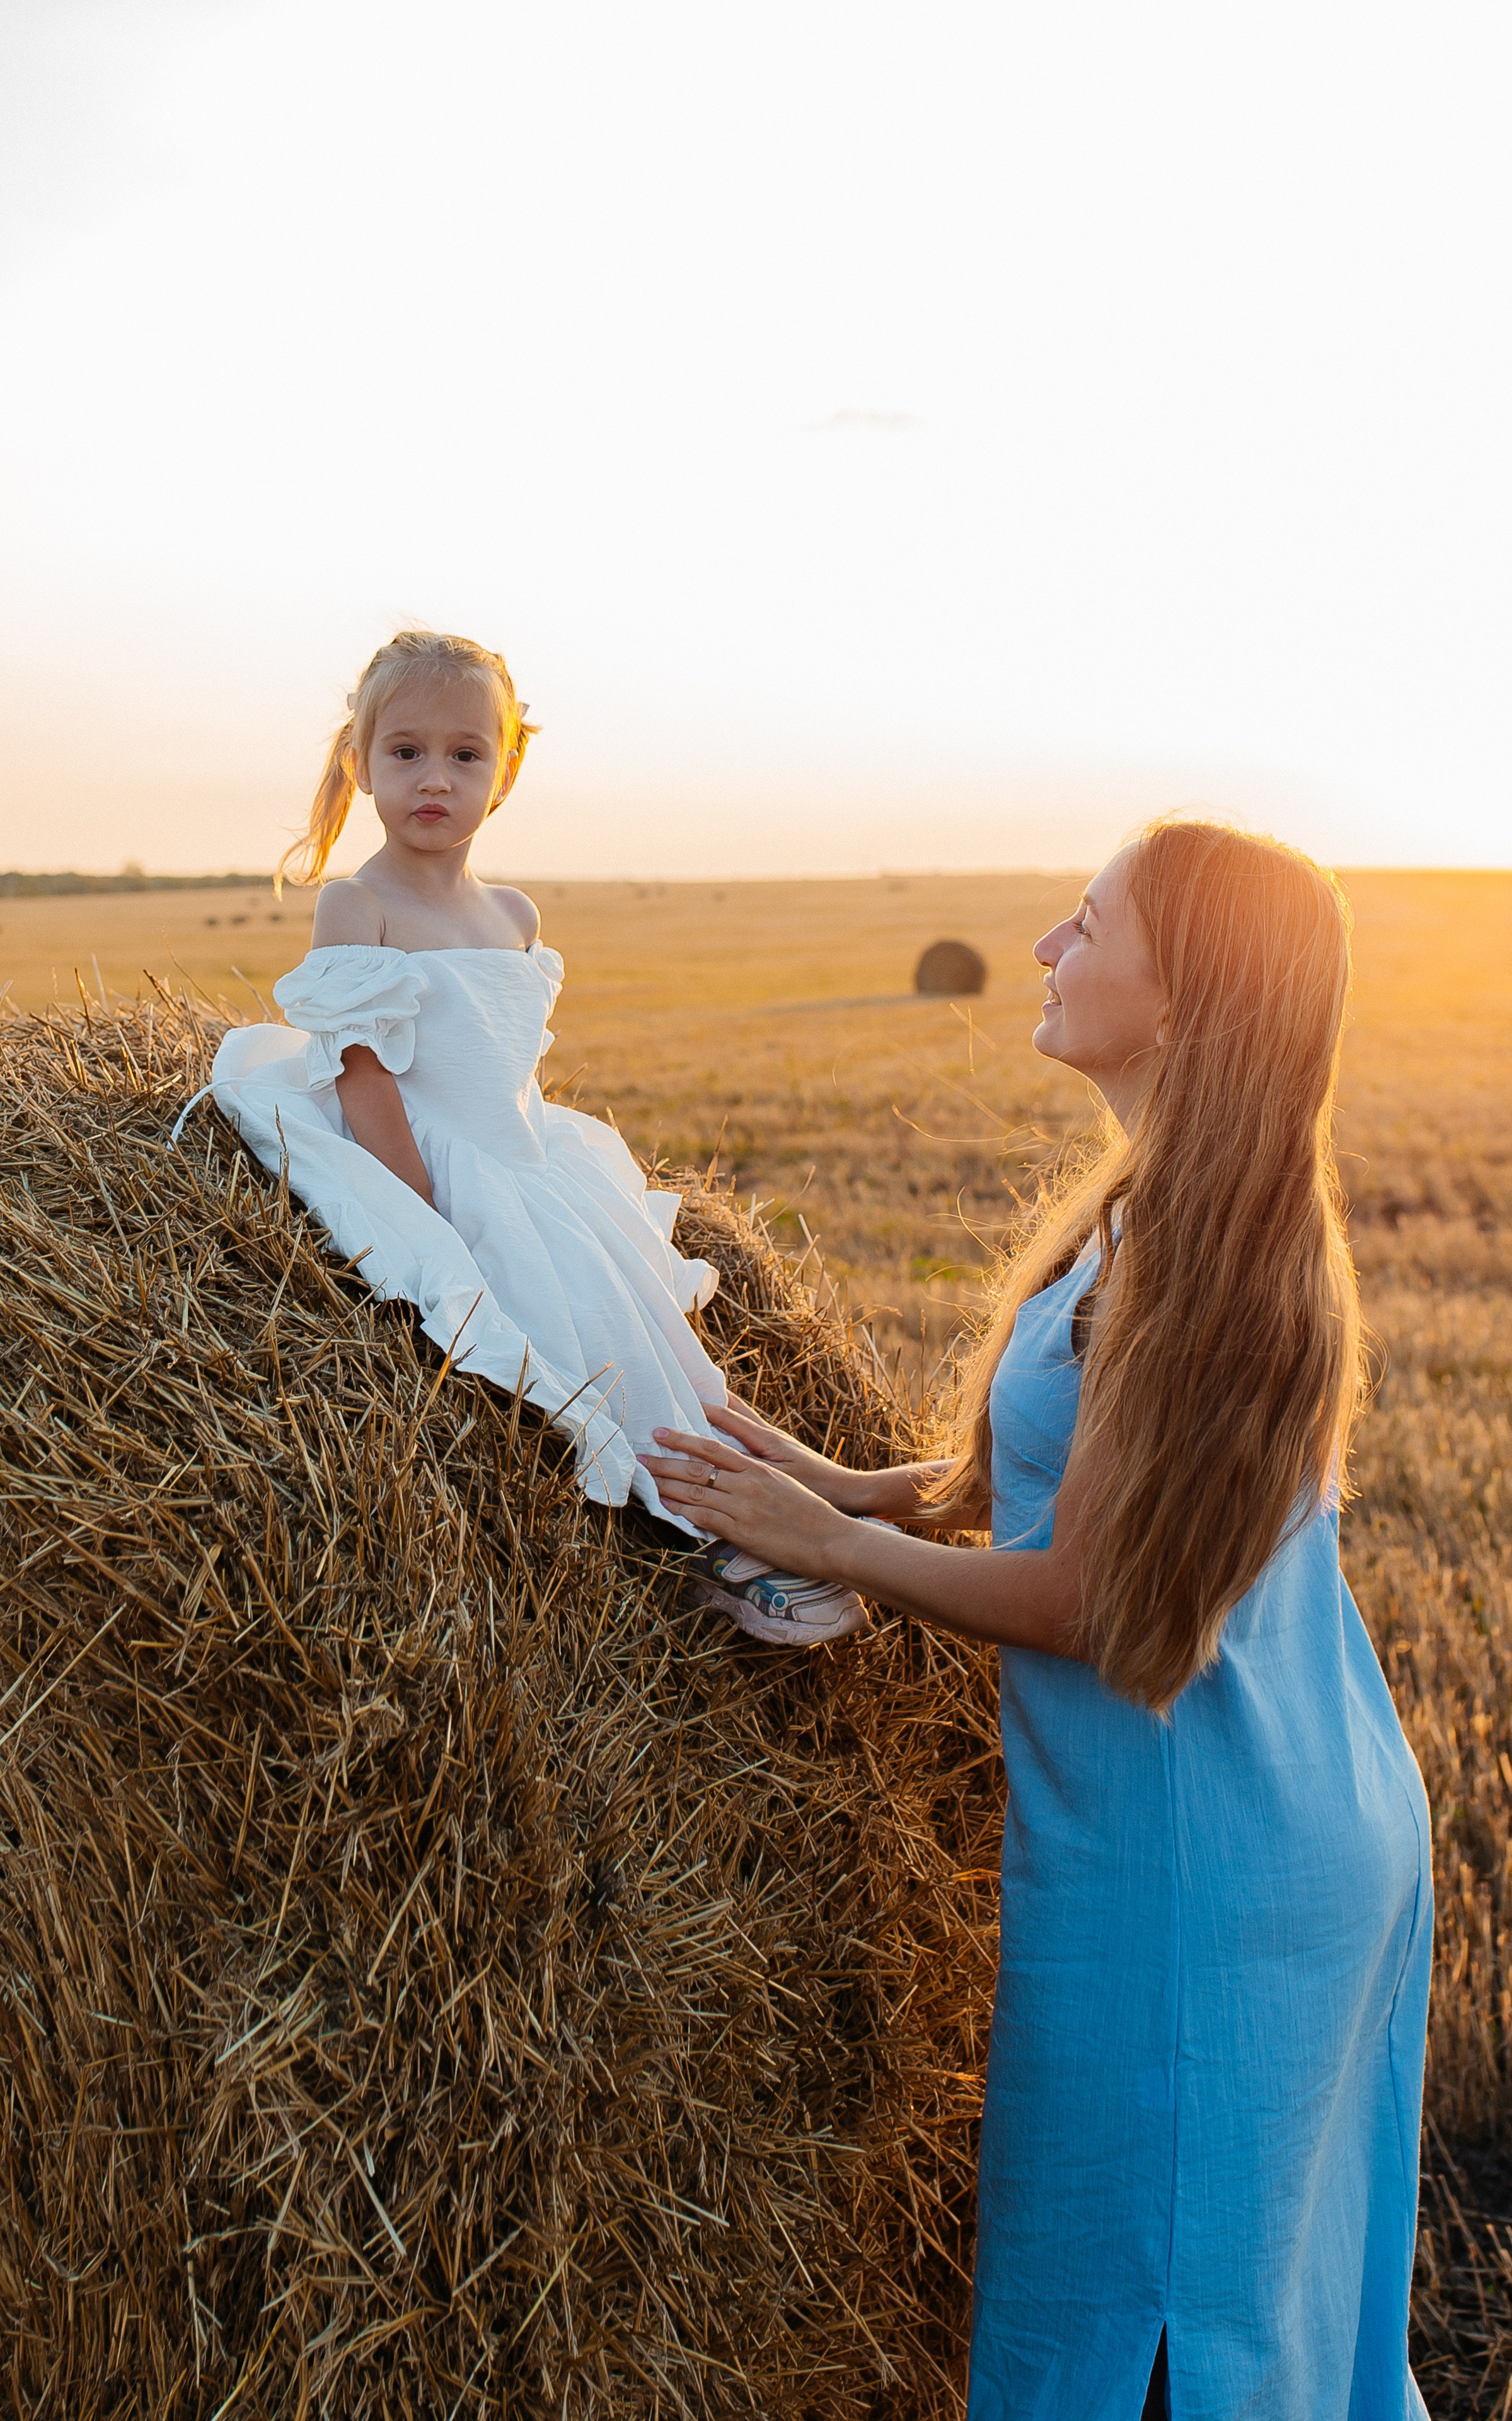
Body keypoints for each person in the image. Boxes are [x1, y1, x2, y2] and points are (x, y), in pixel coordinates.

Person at [641, 820, 1432, 2419]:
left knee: (1163, 2314)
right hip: (1271, 1806)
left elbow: (1088, 1597)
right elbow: (1061, 1476)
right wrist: (842, 1485)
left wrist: (824, 1550)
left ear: (1184, 992)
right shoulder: (1164, 1212)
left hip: (1209, 1862)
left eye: (1085, 925)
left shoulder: (1205, 1258)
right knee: (1230, 2294)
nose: (1042, 951)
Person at [179, 628, 863, 1645]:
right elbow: (366, 1078)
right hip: (429, 1159)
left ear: (505, 773)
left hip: (527, 1155)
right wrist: (429, 1217)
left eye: (465, 754)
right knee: (564, 1337)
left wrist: (544, 1184)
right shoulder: (356, 904)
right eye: (405, 752)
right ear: (361, 762)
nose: (434, 779)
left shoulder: (513, 912)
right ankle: (699, 1539)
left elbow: (508, 1068)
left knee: (636, 1321)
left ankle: (762, 1507)